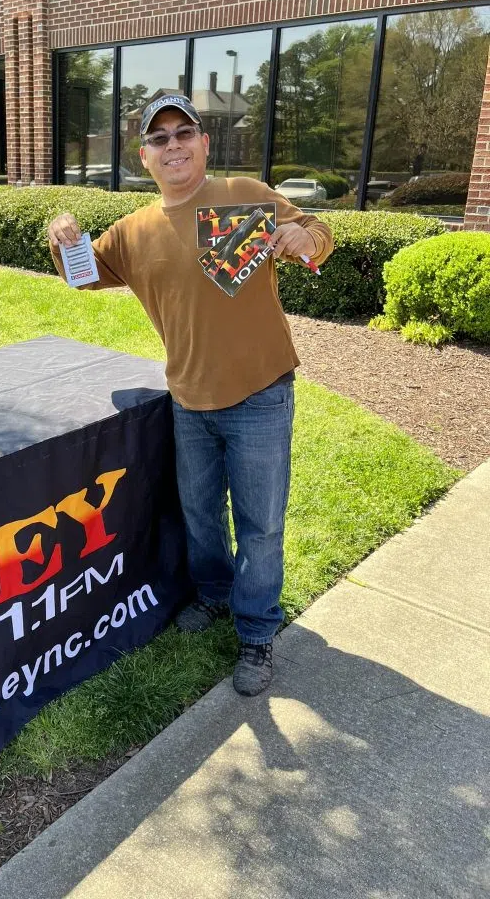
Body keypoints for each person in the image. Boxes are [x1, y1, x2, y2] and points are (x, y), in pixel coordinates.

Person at [47, 94, 333, 696]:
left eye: (184, 133)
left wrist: (299, 235)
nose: (172, 145)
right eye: (159, 138)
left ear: (204, 143)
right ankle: (215, 593)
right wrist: (61, 237)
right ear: (144, 157)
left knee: (260, 524)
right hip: (188, 399)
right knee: (201, 515)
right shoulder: (132, 232)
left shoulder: (240, 195)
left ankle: (256, 630)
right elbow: (81, 274)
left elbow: (316, 231)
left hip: (260, 393)